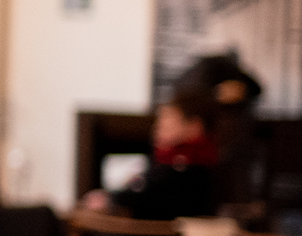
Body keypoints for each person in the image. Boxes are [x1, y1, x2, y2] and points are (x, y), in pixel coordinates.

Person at [82, 89, 219, 220]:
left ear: (194, 126)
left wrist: (112, 200)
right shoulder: (168, 161)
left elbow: (149, 199)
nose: (157, 127)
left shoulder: (192, 168)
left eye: (167, 118)